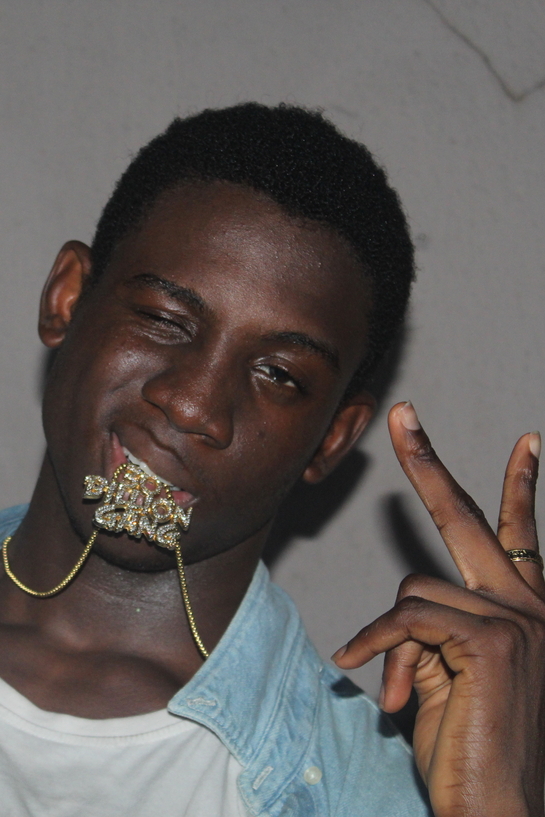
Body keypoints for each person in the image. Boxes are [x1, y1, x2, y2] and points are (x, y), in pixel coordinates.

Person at [0, 102, 543, 817]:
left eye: (278, 374)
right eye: (164, 319)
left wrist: (499, 802)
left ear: (332, 438)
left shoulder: (382, 792)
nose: (194, 404)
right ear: (67, 298)